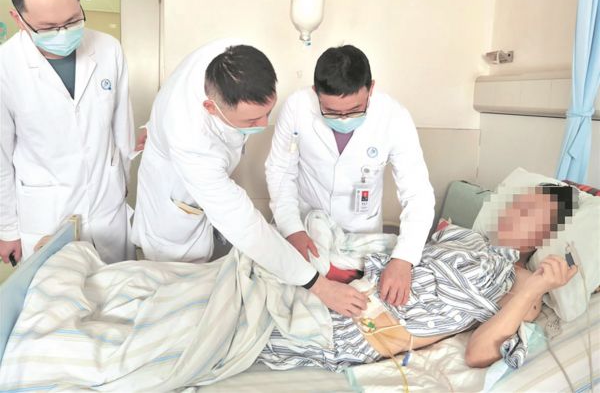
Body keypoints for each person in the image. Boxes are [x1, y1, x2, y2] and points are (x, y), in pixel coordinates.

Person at [131, 39, 367, 317]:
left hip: (186, 149)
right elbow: (244, 225)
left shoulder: (227, 57)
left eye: (267, 113)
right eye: (252, 121)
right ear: (210, 107)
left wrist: (155, 125)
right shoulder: (191, 139)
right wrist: (320, 287)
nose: (264, 125)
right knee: (179, 296)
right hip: (173, 202)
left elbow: (173, 86)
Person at [258, 184, 579, 372]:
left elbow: (478, 353)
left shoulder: (522, 282)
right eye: (518, 204)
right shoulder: (469, 239)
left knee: (251, 325)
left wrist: (537, 287)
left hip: (357, 326)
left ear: (545, 236)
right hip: (348, 288)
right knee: (261, 273)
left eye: (529, 212)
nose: (513, 212)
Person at [266, 45, 435, 307]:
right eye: (332, 112)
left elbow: (417, 193)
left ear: (371, 88)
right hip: (308, 228)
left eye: (355, 109)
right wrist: (292, 229)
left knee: (364, 303)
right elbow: (280, 171)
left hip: (361, 233)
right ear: (316, 92)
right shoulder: (297, 107)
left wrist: (404, 258)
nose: (343, 119)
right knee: (297, 298)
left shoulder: (394, 117)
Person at [0, 0, 134, 264]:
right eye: (48, 27)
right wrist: (7, 228)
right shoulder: (5, 66)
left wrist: (120, 183)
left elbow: (122, 129)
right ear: (18, 18)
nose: (64, 33)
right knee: (56, 290)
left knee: (117, 286)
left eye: (73, 21)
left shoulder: (109, 49)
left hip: (107, 209)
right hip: (46, 215)